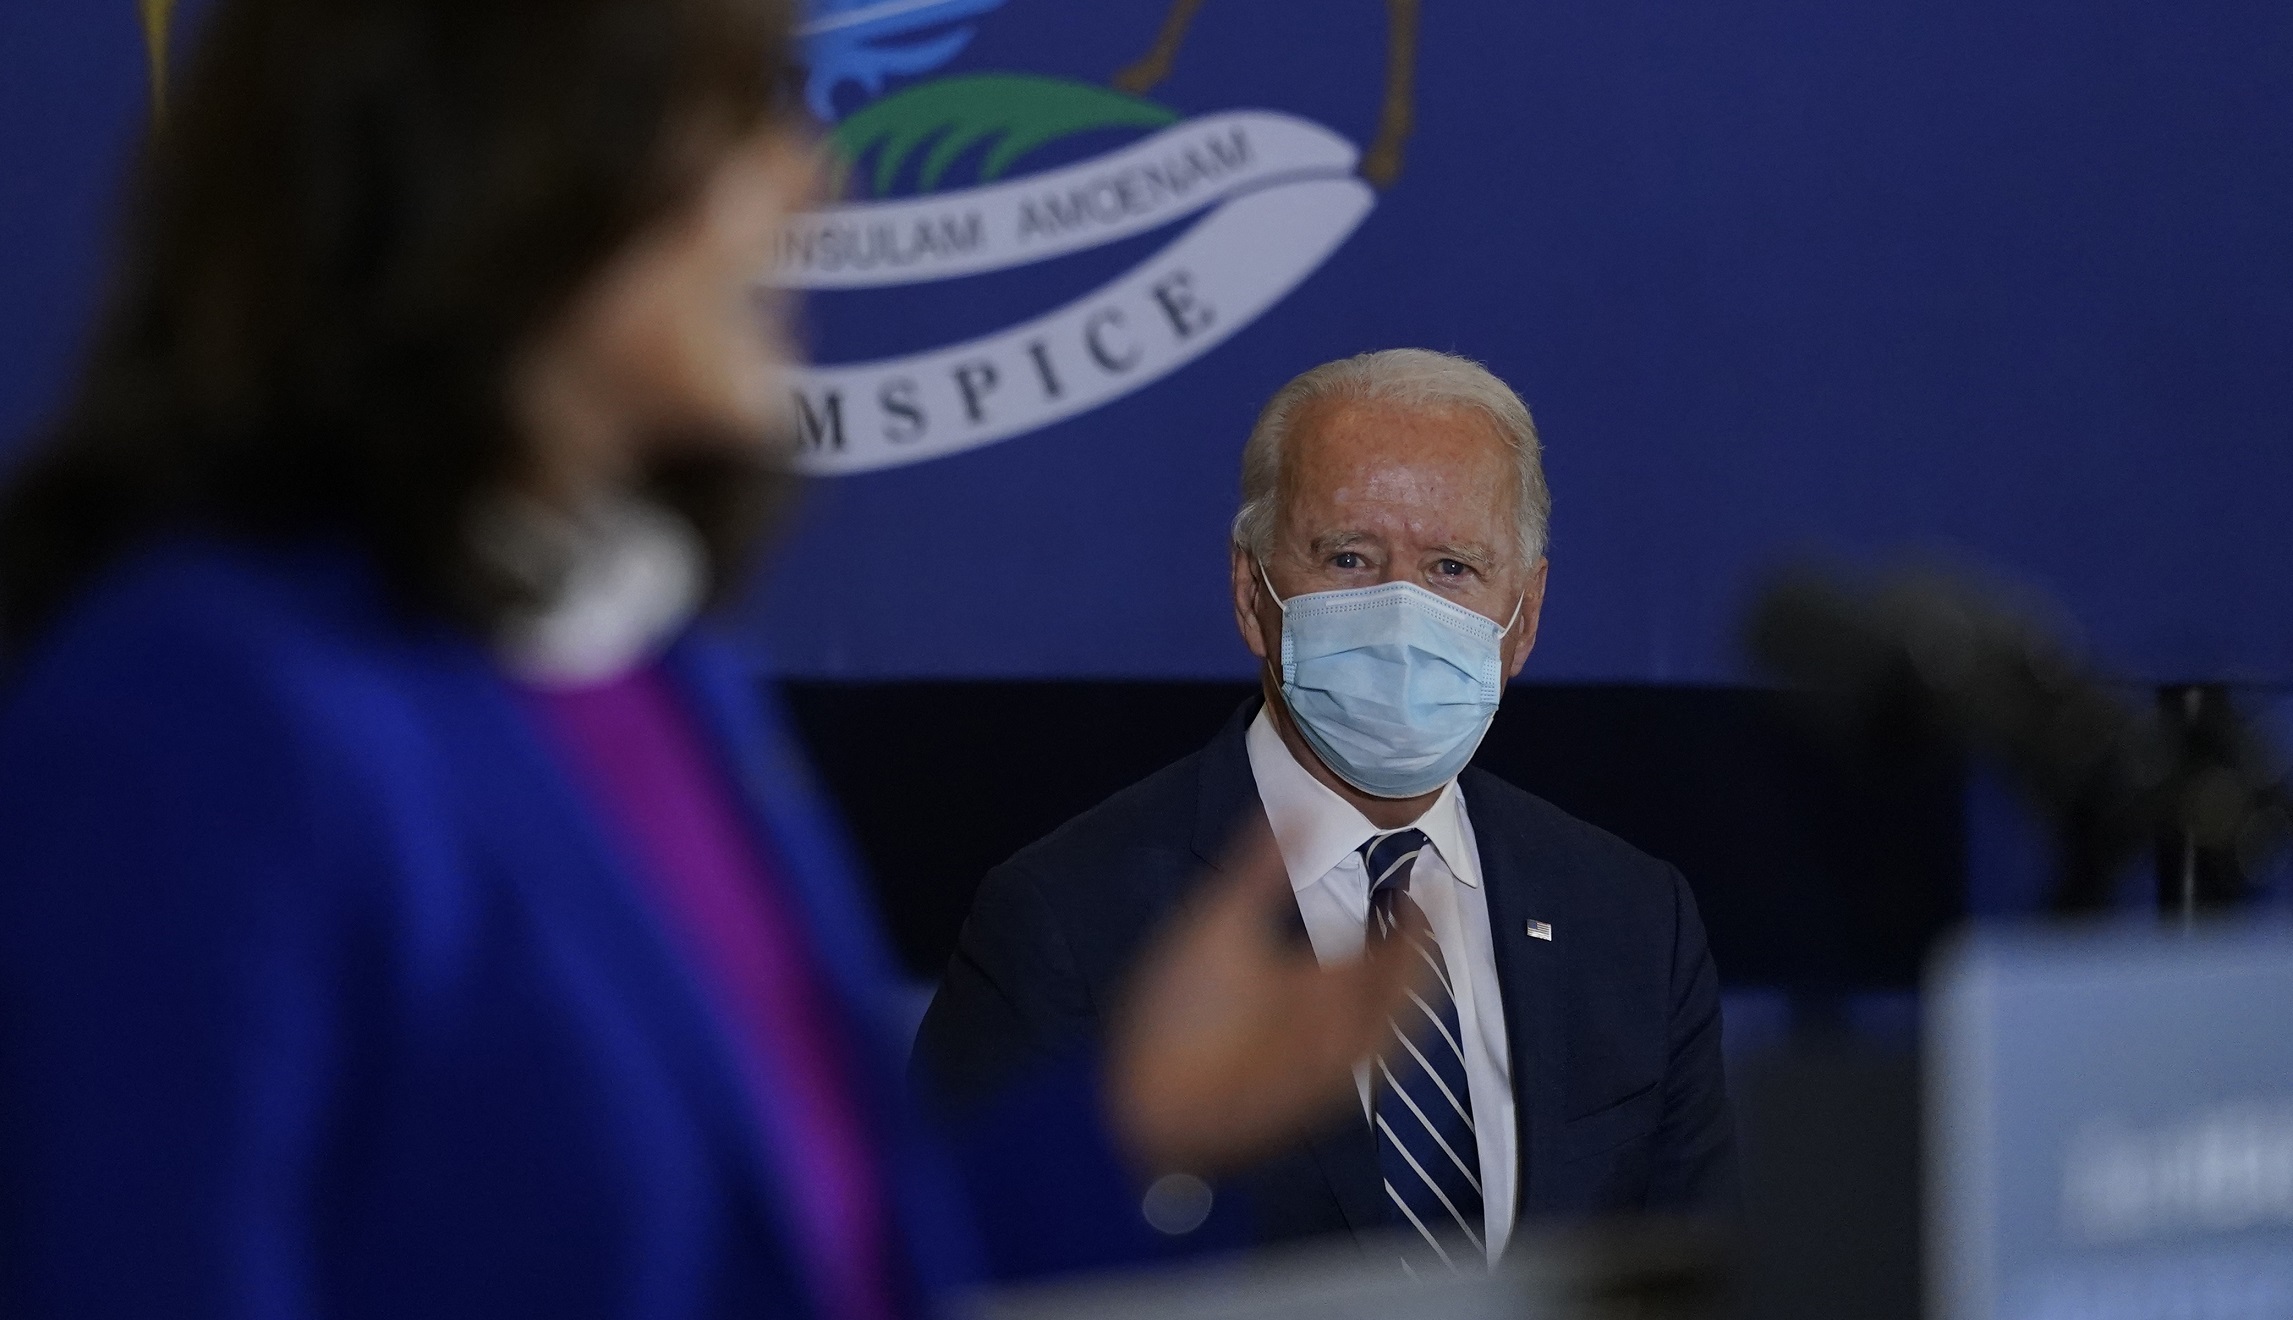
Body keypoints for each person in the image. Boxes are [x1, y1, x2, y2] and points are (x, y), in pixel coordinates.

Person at [0, 1, 1431, 1315]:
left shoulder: (663, 675)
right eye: (738, 120)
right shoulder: (190, 718)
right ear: (505, 163)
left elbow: (816, 1273)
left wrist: (1128, 1124)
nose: (811, 185)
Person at [914, 350, 1739, 1269]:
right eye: (1348, 558)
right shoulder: (1064, 916)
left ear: (1525, 616)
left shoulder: (1632, 918)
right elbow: (946, 1263)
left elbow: (1696, 1271)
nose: (1400, 614)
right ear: (1250, 593)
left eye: (1452, 567)